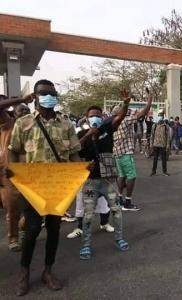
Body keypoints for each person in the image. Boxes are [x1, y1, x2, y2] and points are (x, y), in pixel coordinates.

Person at [8, 79, 82, 296]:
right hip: (34, 185)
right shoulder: (24, 123)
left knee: (54, 230)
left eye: (52, 92)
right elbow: (13, 150)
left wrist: (82, 170)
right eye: (44, 93)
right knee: (31, 231)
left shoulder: (67, 124)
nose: (48, 96)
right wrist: (15, 173)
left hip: (59, 186)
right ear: (35, 96)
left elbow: (75, 153)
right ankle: (24, 273)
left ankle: (48, 271)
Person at [78, 89, 131, 260]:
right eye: (92, 115)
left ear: (102, 117)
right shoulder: (80, 134)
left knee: (116, 210)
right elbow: (74, 149)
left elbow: (120, 117)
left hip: (108, 181)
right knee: (87, 215)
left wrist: (126, 103)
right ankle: (86, 245)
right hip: (90, 182)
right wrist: (88, 135)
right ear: (86, 118)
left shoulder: (107, 128)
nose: (95, 118)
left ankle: (119, 238)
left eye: (98, 115)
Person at [0, 95, 31, 252]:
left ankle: (23, 228)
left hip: (32, 174)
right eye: (21, 109)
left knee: (33, 207)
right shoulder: (9, 124)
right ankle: (13, 238)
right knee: (12, 208)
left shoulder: (35, 125)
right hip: (11, 174)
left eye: (27, 109)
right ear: (14, 112)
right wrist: (21, 99)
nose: (25, 111)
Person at [113, 89, 152, 211]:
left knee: (121, 175)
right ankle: (127, 202)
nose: (126, 110)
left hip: (117, 153)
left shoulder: (113, 123)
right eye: (122, 108)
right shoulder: (124, 120)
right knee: (131, 176)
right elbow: (143, 112)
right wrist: (149, 100)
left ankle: (119, 199)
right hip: (126, 153)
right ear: (118, 112)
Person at [150, 110, 170, 176]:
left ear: (163, 117)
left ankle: (164, 171)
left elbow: (168, 136)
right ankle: (153, 171)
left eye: (162, 115)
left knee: (164, 159)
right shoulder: (154, 126)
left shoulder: (166, 126)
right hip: (155, 144)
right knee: (155, 158)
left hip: (163, 144)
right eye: (159, 115)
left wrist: (167, 145)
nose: (160, 117)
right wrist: (151, 144)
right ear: (157, 116)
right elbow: (152, 135)